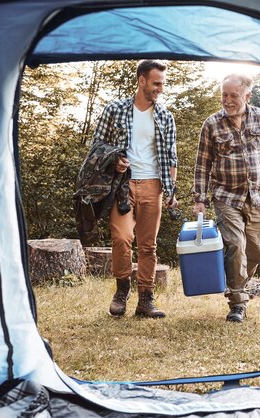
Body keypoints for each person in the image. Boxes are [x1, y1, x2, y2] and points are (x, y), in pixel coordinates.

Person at [193, 74, 260, 323]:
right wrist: (199, 199)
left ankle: (237, 284)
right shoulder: (211, 124)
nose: (227, 100)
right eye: (224, 94)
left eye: (233, 95)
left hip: (256, 196)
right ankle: (237, 303)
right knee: (235, 245)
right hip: (226, 196)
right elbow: (202, 164)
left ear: (247, 96)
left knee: (255, 252)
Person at [91, 60, 178, 319]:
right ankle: (122, 290)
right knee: (121, 238)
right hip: (122, 185)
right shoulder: (115, 110)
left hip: (154, 185)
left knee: (148, 246)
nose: (160, 89)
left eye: (162, 83)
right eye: (156, 83)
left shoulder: (165, 116)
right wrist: (114, 160)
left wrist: (171, 190)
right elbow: (97, 146)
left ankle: (145, 300)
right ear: (141, 80)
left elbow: (171, 157)